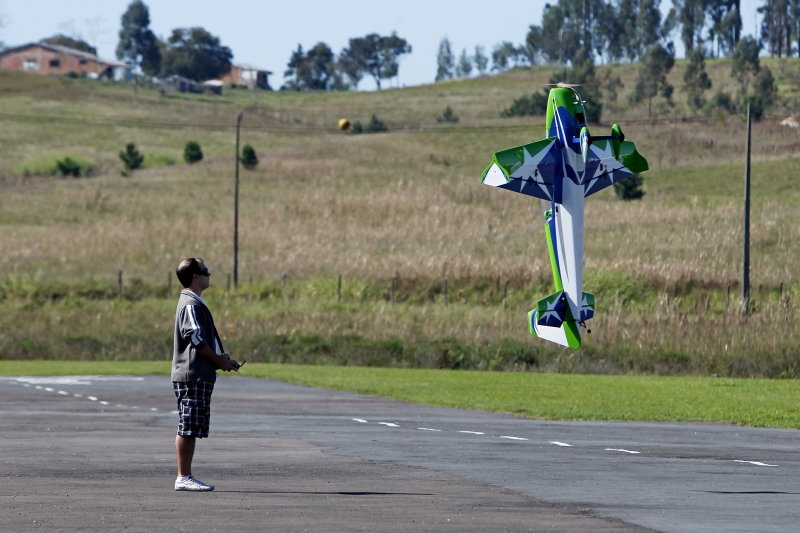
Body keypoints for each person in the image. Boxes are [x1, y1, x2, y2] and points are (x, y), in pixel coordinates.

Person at [172, 257, 238, 491]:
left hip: (198, 373)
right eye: (206, 271)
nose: (209, 274)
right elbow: (195, 337)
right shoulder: (190, 304)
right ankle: (184, 477)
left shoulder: (193, 302)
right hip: (192, 374)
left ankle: (185, 476)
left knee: (191, 425)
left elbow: (199, 338)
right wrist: (218, 360)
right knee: (188, 425)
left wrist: (222, 359)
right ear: (195, 277)